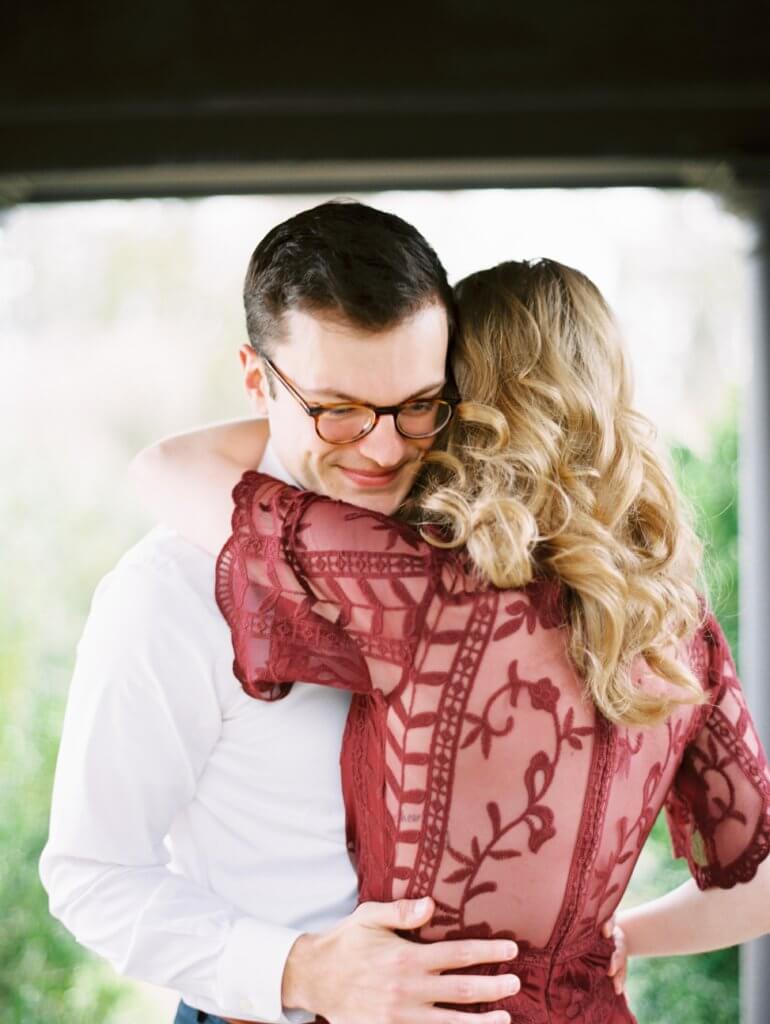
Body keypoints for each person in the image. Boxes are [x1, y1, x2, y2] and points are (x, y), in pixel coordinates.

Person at [132, 258, 770, 1023]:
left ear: (461, 398)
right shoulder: (673, 621)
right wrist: (612, 939)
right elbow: (757, 891)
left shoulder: (411, 588)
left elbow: (167, 466)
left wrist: (341, 411)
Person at [40, 201, 523, 1024]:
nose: (382, 450)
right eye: (337, 409)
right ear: (257, 380)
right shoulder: (168, 593)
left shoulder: (480, 538)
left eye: (417, 406)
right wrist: (301, 973)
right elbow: (91, 875)